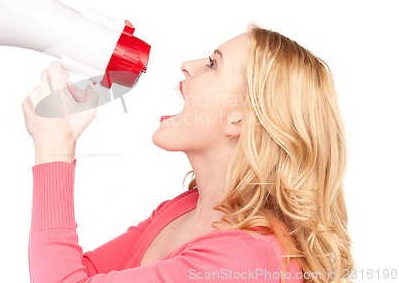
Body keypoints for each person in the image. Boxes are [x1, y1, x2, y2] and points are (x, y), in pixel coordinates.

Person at [22, 25, 353, 283]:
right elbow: (78, 273)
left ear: (241, 117)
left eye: (212, 64)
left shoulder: (246, 260)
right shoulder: (183, 209)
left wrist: (54, 149)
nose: (188, 66)